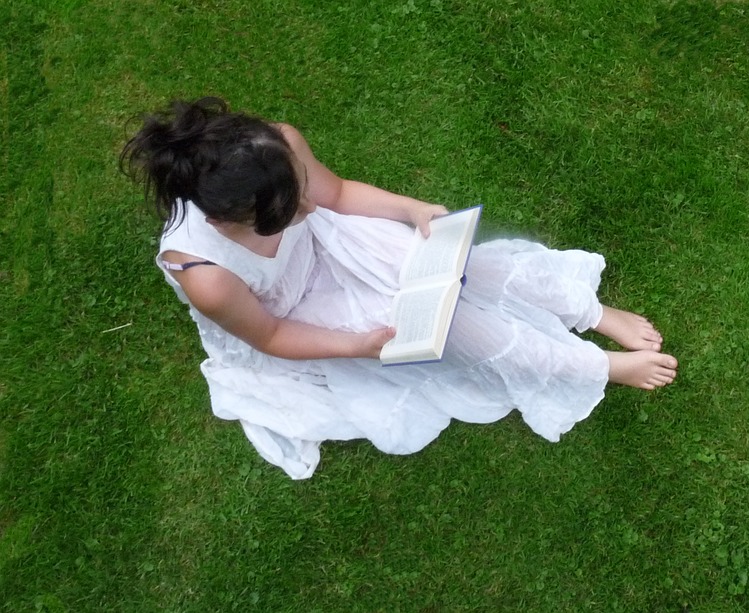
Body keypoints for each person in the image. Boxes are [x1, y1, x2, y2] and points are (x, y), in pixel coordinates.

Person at [121, 97, 677, 479]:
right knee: (451, 328)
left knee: (464, 268)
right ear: (229, 223)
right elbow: (270, 334)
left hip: (336, 246)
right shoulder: (208, 277)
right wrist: (357, 347)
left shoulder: (274, 147)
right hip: (302, 307)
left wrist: (409, 210)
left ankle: (588, 311)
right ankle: (595, 368)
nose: (306, 205)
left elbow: (334, 199)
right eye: (291, 209)